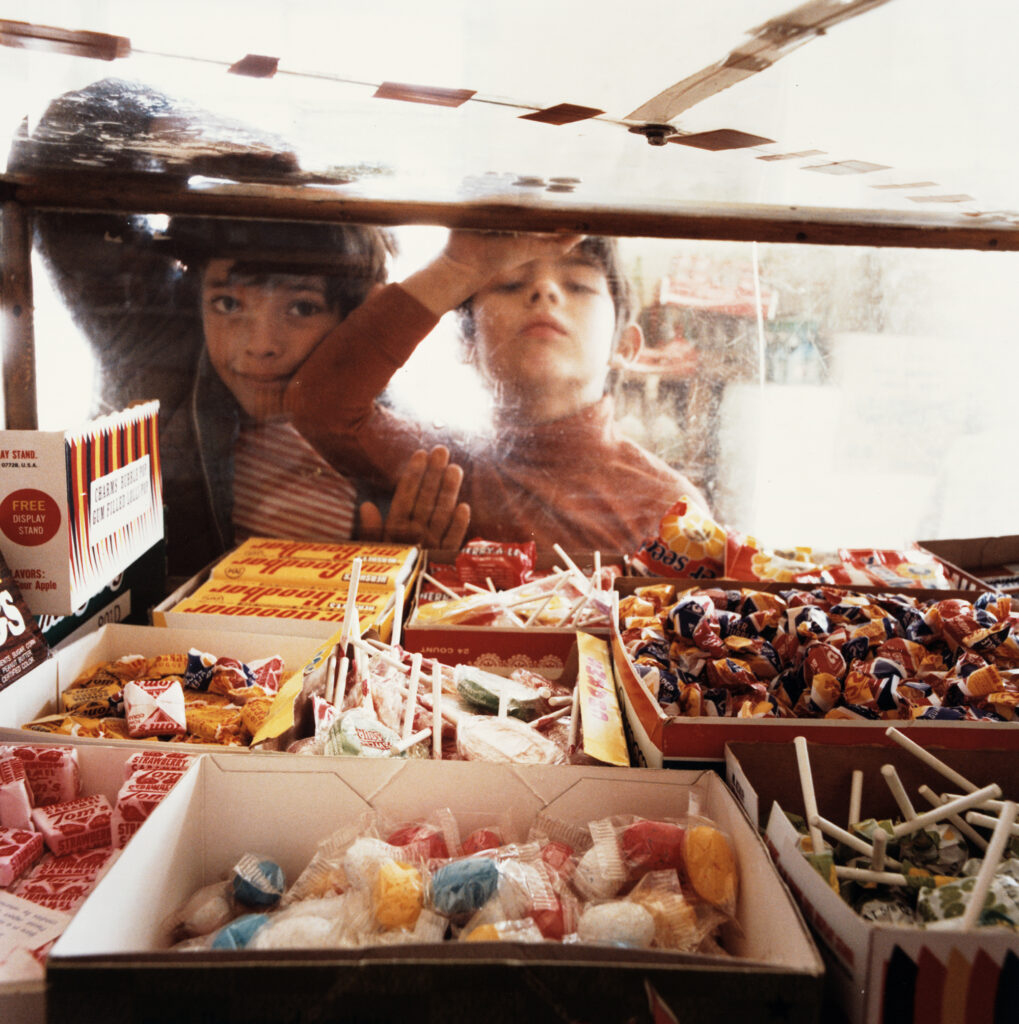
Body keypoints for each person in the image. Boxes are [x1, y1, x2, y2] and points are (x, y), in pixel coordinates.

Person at [9, 78, 469, 582]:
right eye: (229, 303)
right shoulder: (163, 348)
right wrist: (201, 134)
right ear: (196, 294)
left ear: (354, 317)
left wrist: (402, 566)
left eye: (301, 307)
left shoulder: (397, 442)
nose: (260, 346)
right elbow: (61, 171)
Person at [285, 230, 710, 554]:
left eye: (578, 285)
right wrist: (456, 268)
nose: (545, 292)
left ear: (625, 345)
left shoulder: (665, 506)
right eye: (508, 284)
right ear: (469, 344)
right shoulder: (441, 468)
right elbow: (319, 404)